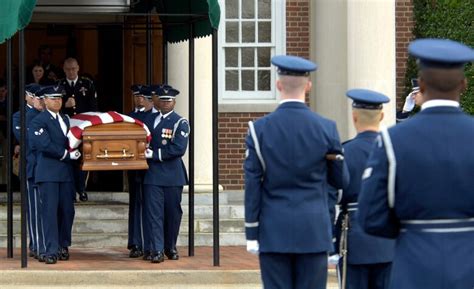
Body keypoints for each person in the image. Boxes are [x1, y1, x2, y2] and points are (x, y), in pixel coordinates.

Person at [357, 38, 474, 289]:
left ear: (420, 84)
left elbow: (370, 217)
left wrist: (411, 232)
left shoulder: (392, 139)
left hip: (413, 265)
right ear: (463, 84)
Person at [244, 55, 349, 289]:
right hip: (314, 228)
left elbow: (253, 183)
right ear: (308, 86)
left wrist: (252, 230)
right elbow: (340, 180)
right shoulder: (327, 128)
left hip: (274, 229)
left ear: (278, 84)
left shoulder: (259, 130)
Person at [334, 89, 395, 289]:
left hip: (355, 240)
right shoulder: (396, 150)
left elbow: (338, 194)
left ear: (354, 116)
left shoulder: (345, 152)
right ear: (382, 116)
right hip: (390, 240)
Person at [30, 85, 80, 264]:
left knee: (67, 211)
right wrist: (66, 154)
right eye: (53, 98)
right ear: (44, 101)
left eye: (59, 98)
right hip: (49, 173)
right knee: (49, 212)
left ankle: (63, 245)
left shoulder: (66, 119)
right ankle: (51, 250)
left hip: (65, 173)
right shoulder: (38, 120)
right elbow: (44, 145)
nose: (57, 101)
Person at [143, 84, 189, 263]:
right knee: (154, 214)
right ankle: (157, 249)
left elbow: (179, 148)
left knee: (172, 213)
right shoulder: (150, 120)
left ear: (174, 102)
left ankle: (170, 246)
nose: (165, 103)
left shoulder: (180, 122)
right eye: (162, 100)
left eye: (168, 100)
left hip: (172, 175)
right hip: (153, 175)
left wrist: (155, 154)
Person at [59, 57, 97, 202]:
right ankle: (70, 190)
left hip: (83, 129)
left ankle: (81, 189)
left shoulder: (87, 84)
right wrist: (65, 106)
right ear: (64, 69)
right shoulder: (59, 85)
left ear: (78, 68)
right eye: (68, 69)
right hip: (65, 129)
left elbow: (93, 108)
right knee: (68, 159)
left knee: (82, 159)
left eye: (73, 68)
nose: (71, 71)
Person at [12, 83, 44, 258]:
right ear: (27, 96)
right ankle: (37, 244)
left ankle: (46, 244)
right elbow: (26, 139)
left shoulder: (47, 115)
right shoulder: (20, 116)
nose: (37, 100)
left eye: (40, 97)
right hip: (31, 166)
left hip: (47, 167)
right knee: (33, 208)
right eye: (34, 96)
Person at [126, 84, 150, 258]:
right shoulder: (129, 118)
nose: (139, 99)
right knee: (136, 204)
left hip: (151, 166)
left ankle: (149, 243)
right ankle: (136, 242)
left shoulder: (154, 117)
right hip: (134, 167)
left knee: (150, 206)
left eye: (142, 96)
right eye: (136, 96)